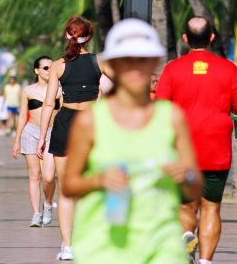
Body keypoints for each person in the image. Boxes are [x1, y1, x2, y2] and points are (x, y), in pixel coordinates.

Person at [63, 18, 202, 263]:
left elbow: (195, 186)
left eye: (143, 60)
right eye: (126, 60)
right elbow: (69, 184)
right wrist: (100, 180)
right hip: (103, 247)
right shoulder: (90, 122)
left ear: (154, 63)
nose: (135, 68)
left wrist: (186, 176)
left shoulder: (171, 117)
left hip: (161, 246)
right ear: (113, 65)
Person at [155, 16, 237, 264]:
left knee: (186, 207)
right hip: (216, 148)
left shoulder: (173, 69)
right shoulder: (228, 69)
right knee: (211, 207)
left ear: (185, 39)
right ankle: (206, 261)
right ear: (211, 38)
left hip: (181, 150)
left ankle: (186, 235)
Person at [37, 15, 108, 261]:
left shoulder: (57, 65)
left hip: (65, 122)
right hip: (91, 123)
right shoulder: (100, 61)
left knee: (66, 190)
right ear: (89, 36)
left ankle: (67, 246)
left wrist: (42, 137)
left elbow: (48, 103)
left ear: (67, 35)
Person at [13, 56, 61, 227]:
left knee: (48, 177)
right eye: (46, 68)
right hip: (31, 132)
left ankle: (48, 204)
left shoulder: (58, 90)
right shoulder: (28, 91)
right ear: (37, 70)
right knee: (34, 175)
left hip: (52, 132)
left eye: (51, 67)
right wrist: (17, 140)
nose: (49, 71)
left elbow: (64, 113)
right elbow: (21, 117)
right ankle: (36, 213)